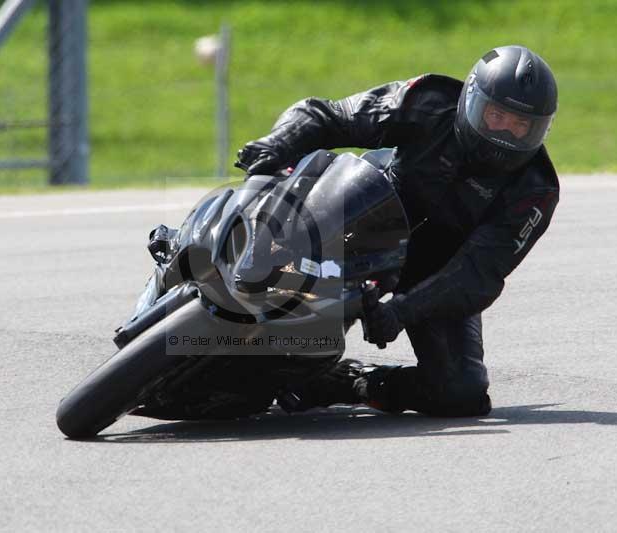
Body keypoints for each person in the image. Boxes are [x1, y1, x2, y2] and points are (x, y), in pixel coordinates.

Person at [236, 45, 560, 417]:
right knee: (285, 211)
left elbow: (478, 274)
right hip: (367, 216)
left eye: (521, 126)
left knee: (462, 391)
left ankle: (346, 383)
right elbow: (330, 115)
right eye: (497, 115)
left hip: (438, 271)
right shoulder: (430, 101)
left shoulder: (535, 190)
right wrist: (275, 144)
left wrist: (401, 312)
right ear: (472, 101)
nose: (507, 133)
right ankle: (216, 257)